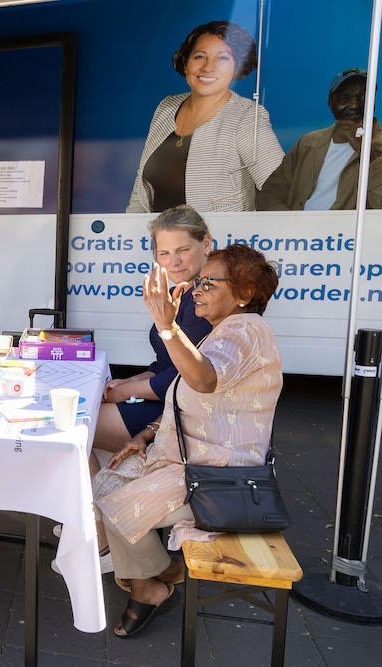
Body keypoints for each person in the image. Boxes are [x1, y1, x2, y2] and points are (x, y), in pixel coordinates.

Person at [93, 244, 282, 638]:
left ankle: (149, 588)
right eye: (199, 281)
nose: (198, 289)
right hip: (191, 463)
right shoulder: (222, 332)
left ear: (245, 294)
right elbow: (188, 399)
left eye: (210, 283)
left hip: (219, 480)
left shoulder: (246, 329)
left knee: (112, 500)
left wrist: (167, 326)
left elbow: (204, 379)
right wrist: (145, 436)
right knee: (108, 479)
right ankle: (162, 569)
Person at [63, 206, 213, 574]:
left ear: (206, 244)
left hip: (182, 415)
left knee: (75, 432)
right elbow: (163, 363)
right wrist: (127, 383)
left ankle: (99, 539)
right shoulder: (180, 290)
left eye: (183, 250)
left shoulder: (206, 299)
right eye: (164, 253)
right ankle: (90, 516)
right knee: (86, 432)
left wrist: (126, 392)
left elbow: (183, 379)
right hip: (168, 404)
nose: (174, 260)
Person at [127, 21, 284, 213]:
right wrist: (130, 235)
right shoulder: (166, 107)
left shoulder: (247, 116)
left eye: (223, 58)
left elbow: (280, 190)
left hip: (219, 240)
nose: (208, 67)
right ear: (186, 64)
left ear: (237, 67)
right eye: (200, 56)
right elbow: (140, 193)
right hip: (160, 239)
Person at [258, 68, 382, 210]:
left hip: (346, 231)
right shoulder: (309, 142)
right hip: (300, 229)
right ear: (331, 104)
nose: (355, 105)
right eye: (345, 98)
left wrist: (367, 153)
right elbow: (269, 195)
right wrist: (291, 227)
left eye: (363, 97)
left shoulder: (378, 146)